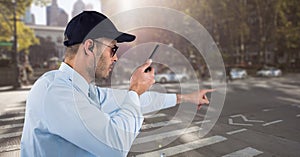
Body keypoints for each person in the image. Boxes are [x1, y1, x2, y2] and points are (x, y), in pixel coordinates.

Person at [21, 11, 214, 157]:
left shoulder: (86, 91)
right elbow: (116, 146)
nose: (115, 58)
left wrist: (187, 97)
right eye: (113, 49)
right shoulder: (55, 91)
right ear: (89, 47)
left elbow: (137, 100)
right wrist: (134, 89)